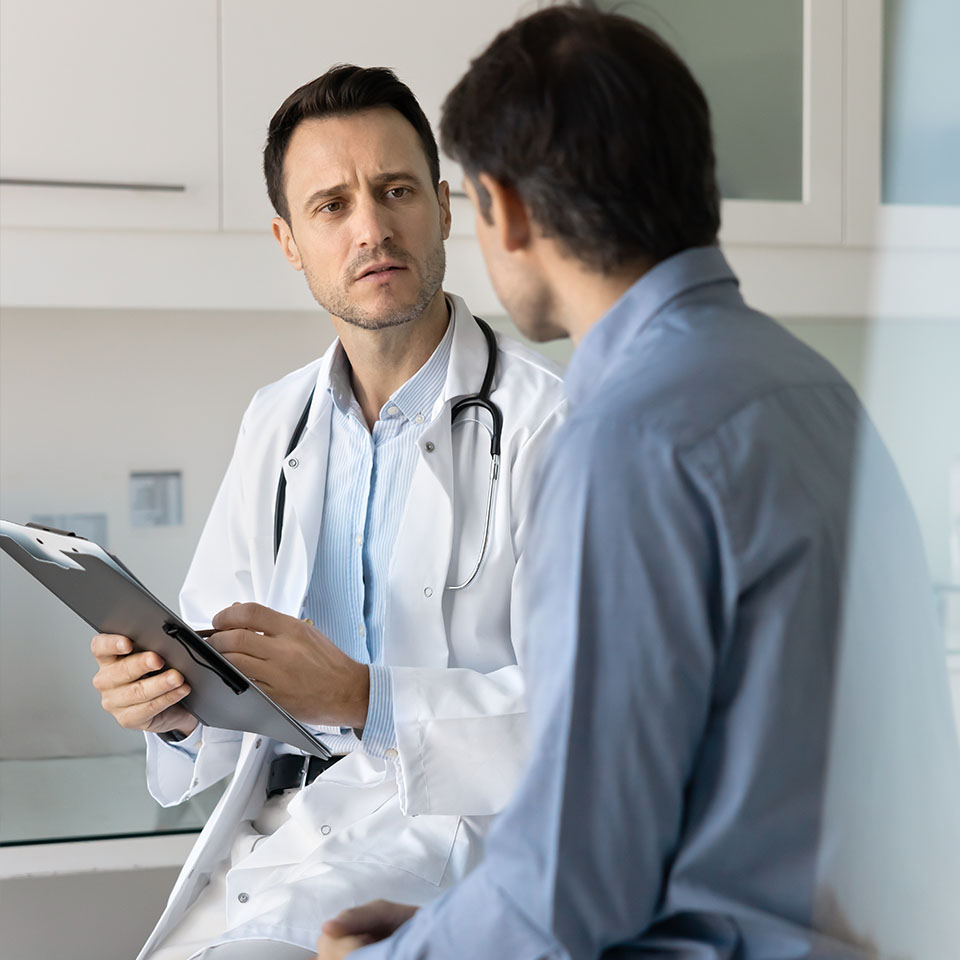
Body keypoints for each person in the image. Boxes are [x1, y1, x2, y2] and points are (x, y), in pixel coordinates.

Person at [316, 6, 960, 959]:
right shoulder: (816, 392)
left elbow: (573, 890)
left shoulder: (624, 441)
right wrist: (453, 925)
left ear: (509, 210)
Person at [89, 64, 565, 960]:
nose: (373, 229)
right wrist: (168, 702)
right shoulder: (277, 419)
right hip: (278, 835)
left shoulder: (549, 428)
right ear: (288, 241)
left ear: (445, 207)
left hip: (442, 848)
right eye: (331, 206)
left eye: (395, 191)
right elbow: (216, 651)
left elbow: (593, 720)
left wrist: (365, 698)